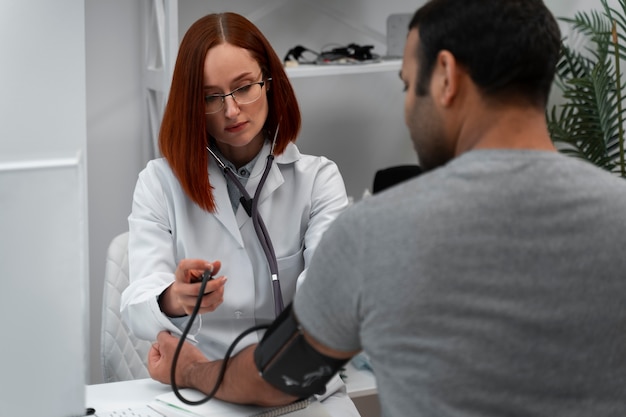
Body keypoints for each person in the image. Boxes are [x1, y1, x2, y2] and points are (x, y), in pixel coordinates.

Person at [146, 0, 626, 416]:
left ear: (445, 78)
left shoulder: (377, 232)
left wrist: (189, 368)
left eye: (406, 84)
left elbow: (277, 378)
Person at [120, 11, 359, 415]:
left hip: (297, 392)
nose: (231, 111)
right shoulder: (159, 184)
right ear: (191, 104)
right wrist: (174, 297)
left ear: (269, 83)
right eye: (211, 97)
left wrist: (207, 370)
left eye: (244, 87)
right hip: (202, 397)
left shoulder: (319, 180)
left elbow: (326, 306)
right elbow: (137, 302)